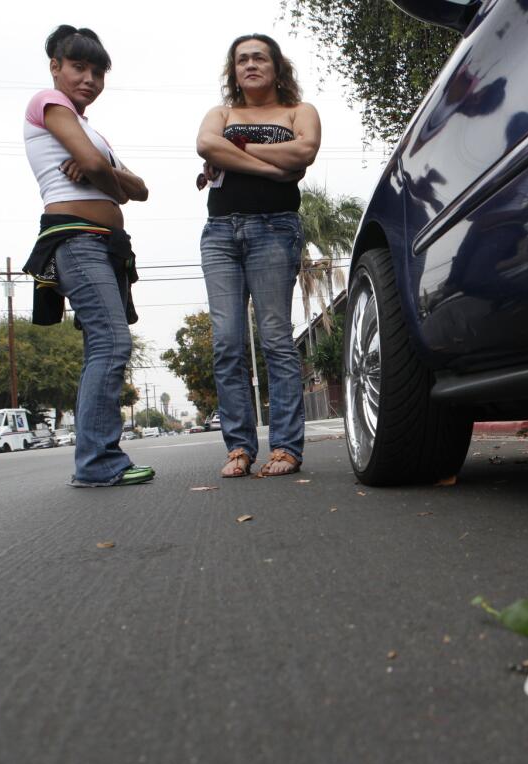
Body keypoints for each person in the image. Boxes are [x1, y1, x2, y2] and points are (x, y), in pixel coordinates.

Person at [21, 25, 154, 487]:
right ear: (55, 66)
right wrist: (103, 173)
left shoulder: (91, 131)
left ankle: (98, 458)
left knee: (105, 345)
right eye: (78, 66)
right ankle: (97, 463)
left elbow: (142, 189)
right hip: (76, 240)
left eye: (98, 72)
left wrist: (104, 170)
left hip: (104, 244)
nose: (89, 79)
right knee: (111, 344)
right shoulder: (47, 102)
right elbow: (108, 177)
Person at [196, 34, 320, 478]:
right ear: (234, 70)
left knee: (275, 340)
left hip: (274, 229)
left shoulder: (298, 112)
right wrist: (274, 167)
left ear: (275, 66)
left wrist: (239, 151)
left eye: (259, 57)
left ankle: (285, 446)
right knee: (227, 342)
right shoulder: (222, 113)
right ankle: (239, 449)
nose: (250, 64)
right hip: (220, 233)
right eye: (242, 59)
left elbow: (304, 151)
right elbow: (207, 146)